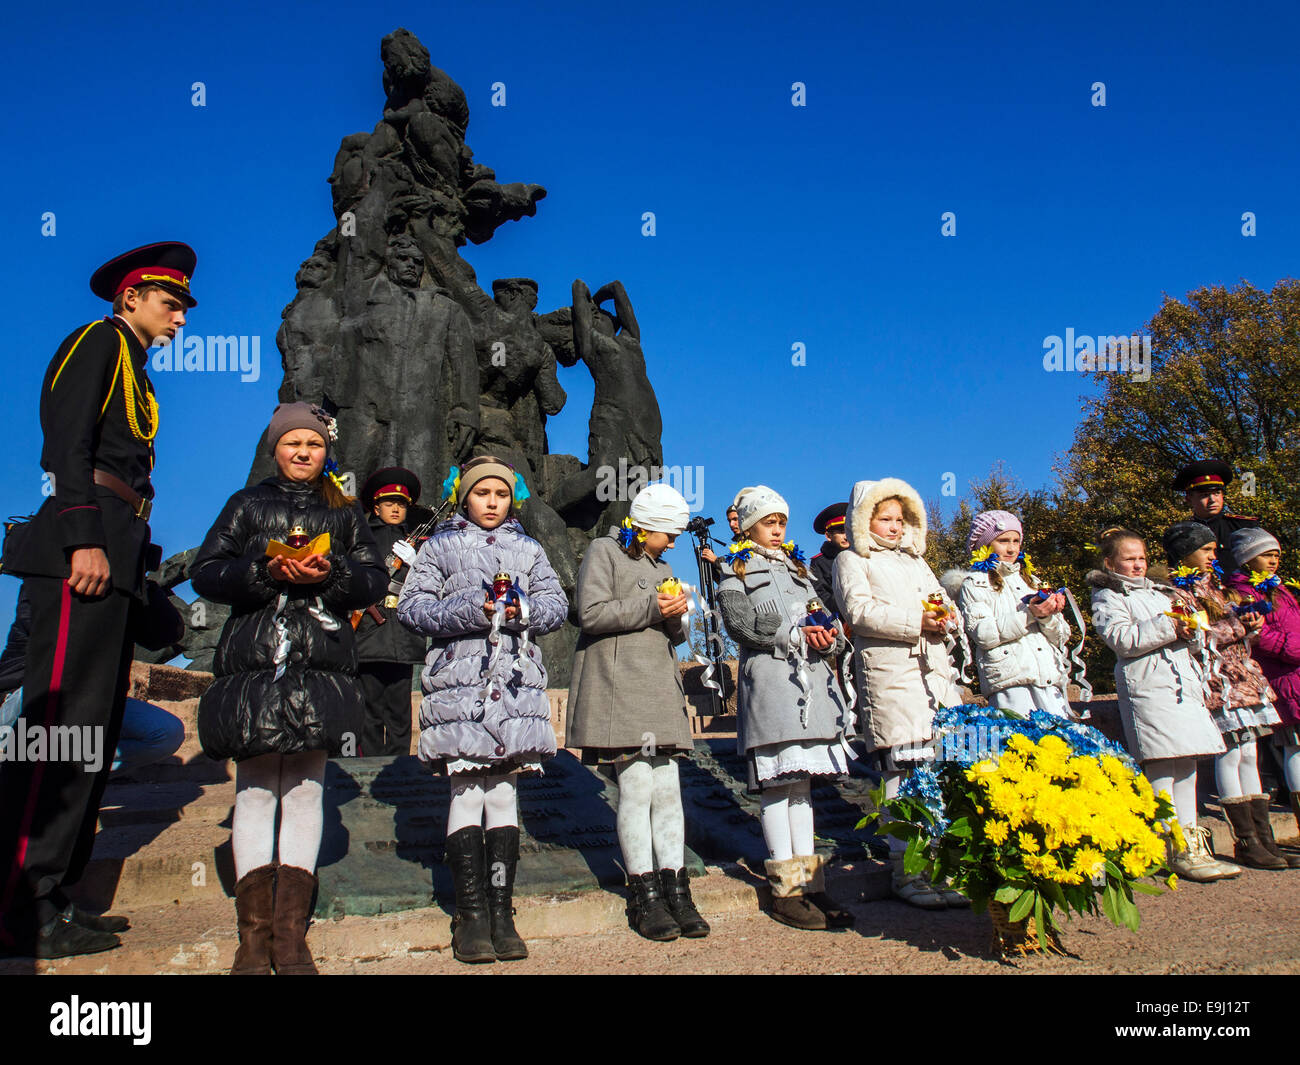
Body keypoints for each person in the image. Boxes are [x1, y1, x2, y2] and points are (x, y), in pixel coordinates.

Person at [0, 242, 194, 959]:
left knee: (91, 730)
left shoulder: (136, 367)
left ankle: (55, 894)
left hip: (115, 554)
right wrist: (83, 536)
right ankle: (20, 903)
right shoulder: (97, 341)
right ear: (131, 297)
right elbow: (67, 445)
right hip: (81, 553)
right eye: (171, 305)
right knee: (54, 732)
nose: (178, 319)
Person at [191, 402, 387, 975]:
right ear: (275, 448)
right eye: (292, 443)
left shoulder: (345, 510)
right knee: (253, 789)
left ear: (328, 453)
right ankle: (252, 939)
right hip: (257, 656)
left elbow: (374, 578)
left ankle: (290, 936)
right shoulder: (247, 503)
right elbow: (207, 570)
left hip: (321, 659)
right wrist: (264, 572)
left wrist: (332, 575)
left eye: (315, 444)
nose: (304, 452)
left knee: (305, 789)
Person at [396, 455, 567, 964]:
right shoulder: (440, 547)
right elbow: (412, 608)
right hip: (460, 688)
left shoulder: (530, 549)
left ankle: (502, 912)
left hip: (514, 687)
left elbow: (558, 605)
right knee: (467, 792)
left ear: (512, 498)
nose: (491, 503)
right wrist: (475, 609)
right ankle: (470, 915)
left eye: (500, 494)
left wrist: (524, 611)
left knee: (505, 795)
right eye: (480, 494)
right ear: (463, 496)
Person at [566, 484, 709, 941]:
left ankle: (677, 889)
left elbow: (676, 635)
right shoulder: (603, 551)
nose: (673, 544)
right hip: (621, 687)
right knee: (636, 787)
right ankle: (644, 894)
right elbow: (589, 613)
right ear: (645, 524)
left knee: (668, 790)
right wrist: (653, 606)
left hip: (658, 688)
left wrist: (676, 618)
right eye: (668, 533)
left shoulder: (663, 565)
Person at [716, 486, 853, 931]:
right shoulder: (733, 566)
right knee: (778, 785)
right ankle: (785, 889)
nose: (776, 530)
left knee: (803, 789)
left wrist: (827, 635)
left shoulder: (798, 566)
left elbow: (823, 614)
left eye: (781, 523)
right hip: (772, 684)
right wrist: (788, 634)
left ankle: (811, 883)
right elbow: (741, 626)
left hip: (810, 684)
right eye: (768, 523)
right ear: (750, 525)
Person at [832, 478, 966, 909]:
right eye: (884, 518)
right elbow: (860, 612)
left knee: (937, 774)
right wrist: (917, 621)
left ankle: (941, 867)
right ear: (863, 520)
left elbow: (945, 603)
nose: (893, 527)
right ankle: (905, 870)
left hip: (934, 678)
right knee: (900, 774)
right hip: (891, 676)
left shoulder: (916, 562)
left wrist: (948, 619)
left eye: (899, 518)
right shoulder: (852, 560)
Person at [1087, 527, 1239, 883]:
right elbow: (1122, 639)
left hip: (1180, 685)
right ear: (1110, 563)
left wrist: (1190, 631)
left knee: (1187, 762)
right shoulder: (1107, 596)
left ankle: (1192, 842)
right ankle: (1171, 845)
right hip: (1148, 687)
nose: (1138, 565)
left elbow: (1190, 633)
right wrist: (1170, 625)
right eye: (1129, 559)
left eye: (1141, 558)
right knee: (1162, 766)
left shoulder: (1162, 592)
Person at [1161, 521, 1286, 870]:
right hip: (1218, 683)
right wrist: (1237, 626)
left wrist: (1250, 625)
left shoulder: (1214, 587)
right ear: (1186, 553)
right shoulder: (1177, 591)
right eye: (1207, 550)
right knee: (1230, 755)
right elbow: (1198, 636)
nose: (1214, 556)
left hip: (1241, 677)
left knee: (1250, 753)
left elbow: (1229, 628)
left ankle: (1264, 838)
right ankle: (1245, 840)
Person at [0, 584, 183, 775]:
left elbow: (167, 635)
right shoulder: (47, 578)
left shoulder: (124, 589)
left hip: (93, 698)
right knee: (69, 690)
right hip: (22, 700)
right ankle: (28, 771)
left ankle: (70, 779)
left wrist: (141, 584)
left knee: (166, 733)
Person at [949, 510, 1072, 719]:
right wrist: (1030, 614)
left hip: (1048, 678)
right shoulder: (976, 583)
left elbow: (1062, 636)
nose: (1011, 548)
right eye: (1003, 540)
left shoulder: (1031, 581)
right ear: (984, 545)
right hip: (1011, 682)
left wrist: (1047, 615)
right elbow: (983, 634)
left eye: (1016, 541)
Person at [1225, 527, 1300, 866]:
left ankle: (1267, 837)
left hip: (1296, 676)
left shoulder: (1281, 589)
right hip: (1281, 678)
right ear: (1247, 558)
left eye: (1276, 554)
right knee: (1293, 748)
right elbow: (1263, 637)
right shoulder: (1243, 593)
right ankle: (1257, 837)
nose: (1274, 559)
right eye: (1267, 553)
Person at [354, 467, 430, 757]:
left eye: (401, 504)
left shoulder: (417, 541)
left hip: (401, 634)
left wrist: (417, 563)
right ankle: (372, 764)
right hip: (370, 634)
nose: (396, 509)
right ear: (376, 507)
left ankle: (400, 766)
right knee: (370, 707)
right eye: (389, 503)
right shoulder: (363, 538)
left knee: (399, 709)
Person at [1171, 459, 1259, 560]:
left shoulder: (1243, 526)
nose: (1212, 500)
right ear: (1189, 498)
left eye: (1217, 493)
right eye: (1205, 495)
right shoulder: (1182, 534)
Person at [809, 502, 849, 612]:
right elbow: (821, 596)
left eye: (848, 531)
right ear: (828, 536)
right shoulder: (819, 562)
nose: (846, 537)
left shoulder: (863, 556)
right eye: (841, 532)